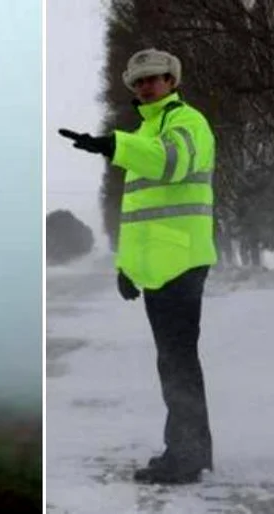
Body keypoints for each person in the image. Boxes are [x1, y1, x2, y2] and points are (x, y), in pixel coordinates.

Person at [58, 48, 217, 485]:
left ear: (172, 81)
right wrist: (128, 267)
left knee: (178, 362)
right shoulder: (147, 132)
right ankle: (189, 450)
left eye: (155, 78)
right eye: (139, 81)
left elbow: (171, 162)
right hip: (161, 268)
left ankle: (186, 455)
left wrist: (115, 145)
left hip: (182, 265)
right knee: (173, 362)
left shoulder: (187, 123)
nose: (146, 86)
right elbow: (142, 219)